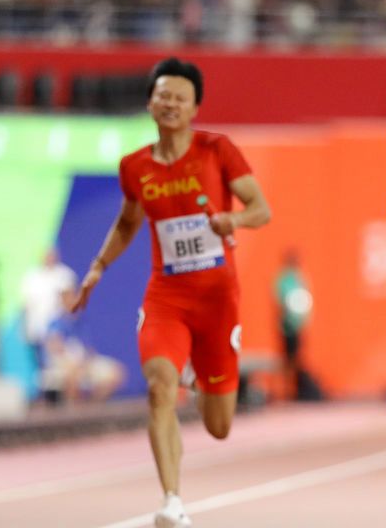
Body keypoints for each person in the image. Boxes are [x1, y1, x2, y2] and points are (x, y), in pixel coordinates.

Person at [71, 57, 271, 528]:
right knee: (159, 387)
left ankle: (199, 378)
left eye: (180, 97)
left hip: (218, 300)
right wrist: (97, 267)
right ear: (150, 101)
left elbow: (260, 209)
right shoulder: (135, 166)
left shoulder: (217, 150)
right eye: (163, 95)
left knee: (219, 426)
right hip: (167, 297)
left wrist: (233, 220)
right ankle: (171, 502)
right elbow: (126, 224)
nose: (170, 103)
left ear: (195, 106)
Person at [21, 248, 77, 371]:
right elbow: (26, 305)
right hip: (36, 328)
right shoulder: (32, 277)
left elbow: (70, 303)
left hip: (59, 330)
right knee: (42, 368)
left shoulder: (65, 275)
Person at [274, 248, 319, 401]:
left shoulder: (299, 278)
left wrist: (304, 319)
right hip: (288, 325)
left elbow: (303, 300)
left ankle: (296, 389)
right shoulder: (284, 279)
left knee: (297, 358)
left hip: (297, 324)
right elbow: (282, 301)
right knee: (289, 359)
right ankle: (288, 390)